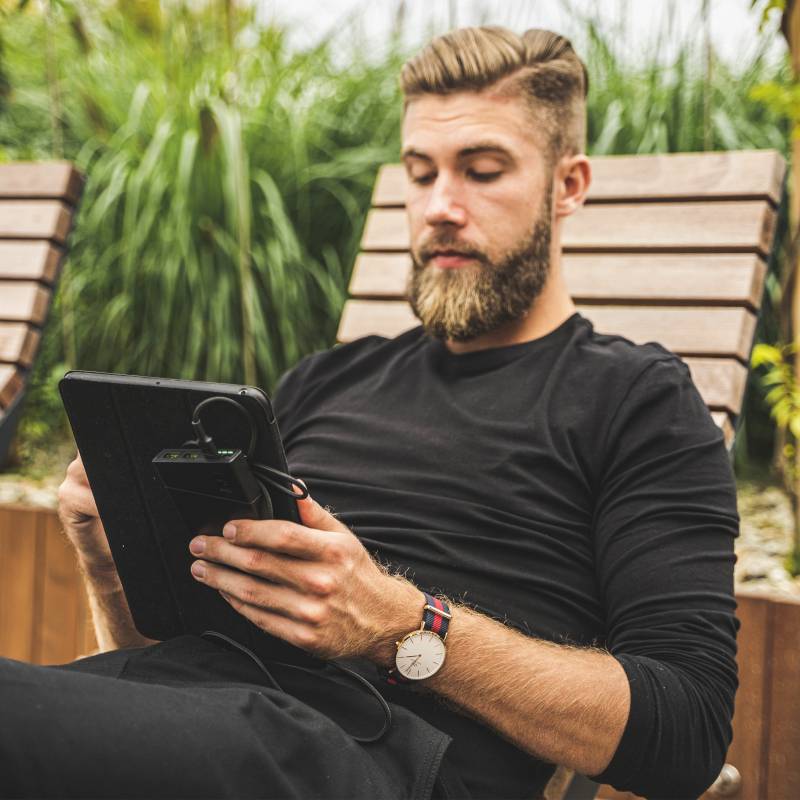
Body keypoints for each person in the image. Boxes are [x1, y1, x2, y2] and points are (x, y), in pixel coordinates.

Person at [2, 25, 739, 800]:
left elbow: (687, 734)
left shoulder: (638, 398)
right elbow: (157, 665)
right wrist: (109, 563)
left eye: (483, 171)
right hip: (205, 715)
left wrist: (398, 624)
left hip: (378, 756)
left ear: (570, 185)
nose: (441, 208)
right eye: (420, 175)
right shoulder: (328, 379)